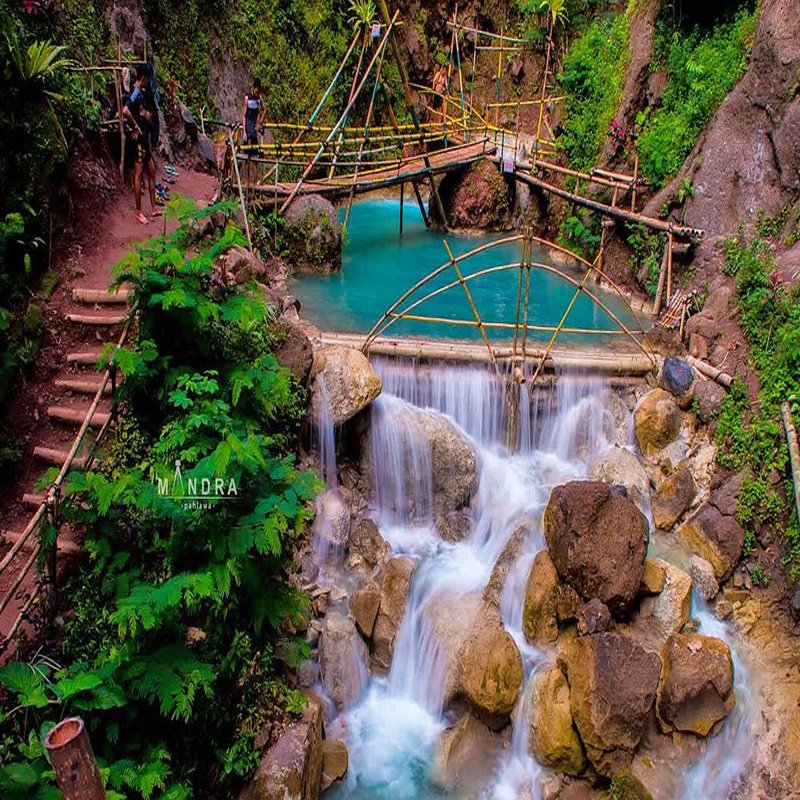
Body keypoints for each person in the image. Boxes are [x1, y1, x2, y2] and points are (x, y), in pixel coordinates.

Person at [123, 65, 160, 224]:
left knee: (151, 171)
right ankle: (138, 211)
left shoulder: (143, 93)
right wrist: (135, 126)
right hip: (139, 140)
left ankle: (153, 208)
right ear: (143, 78)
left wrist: (146, 116)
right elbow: (125, 110)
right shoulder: (136, 92)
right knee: (138, 174)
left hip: (145, 139)